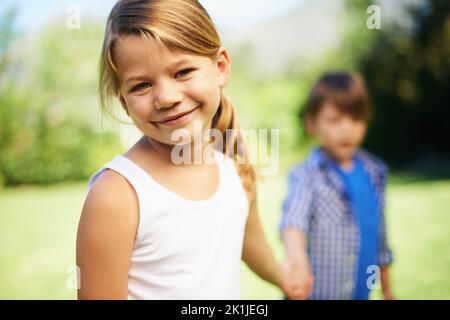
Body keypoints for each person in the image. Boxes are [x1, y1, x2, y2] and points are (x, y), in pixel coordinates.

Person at [77, 0, 296, 300]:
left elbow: (251, 242)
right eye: (141, 86)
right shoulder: (117, 195)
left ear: (220, 67)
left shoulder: (234, 168)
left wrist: (286, 279)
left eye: (182, 72)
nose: (166, 97)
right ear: (124, 101)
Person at [280, 72, 395, 300]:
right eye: (335, 120)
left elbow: (379, 239)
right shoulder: (307, 176)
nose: (347, 129)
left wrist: (387, 290)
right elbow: (294, 222)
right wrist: (298, 261)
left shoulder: (375, 172)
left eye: (356, 119)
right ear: (311, 123)